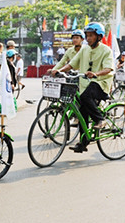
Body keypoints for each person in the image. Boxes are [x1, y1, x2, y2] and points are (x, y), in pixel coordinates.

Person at [48, 22, 113, 153]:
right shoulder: (84, 49)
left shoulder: (106, 50)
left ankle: (101, 119)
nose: (88, 38)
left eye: (91, 36)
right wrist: (58, 71)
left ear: (99, 37)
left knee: (85, 96)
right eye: (87, 35)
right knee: (82, 112)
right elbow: (72, 64)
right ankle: (83, 143)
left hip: (101, 83)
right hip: (85, 84)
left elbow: (108, 68)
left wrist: (95, 74)